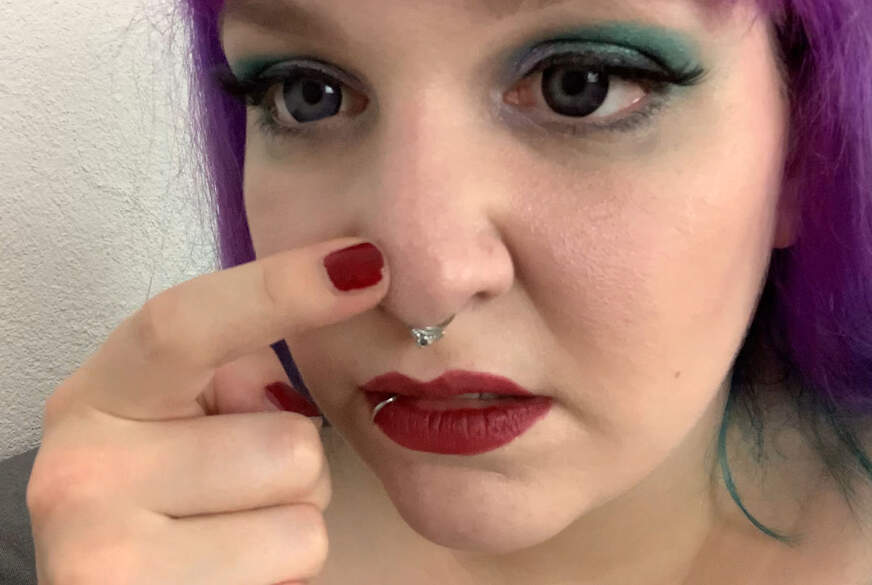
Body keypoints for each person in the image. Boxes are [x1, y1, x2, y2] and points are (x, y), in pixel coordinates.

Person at [3, 0, 871, 583]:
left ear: (800, 146)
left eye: (580, 86)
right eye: (309, 94)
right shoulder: (87, 533)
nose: (421, 289)